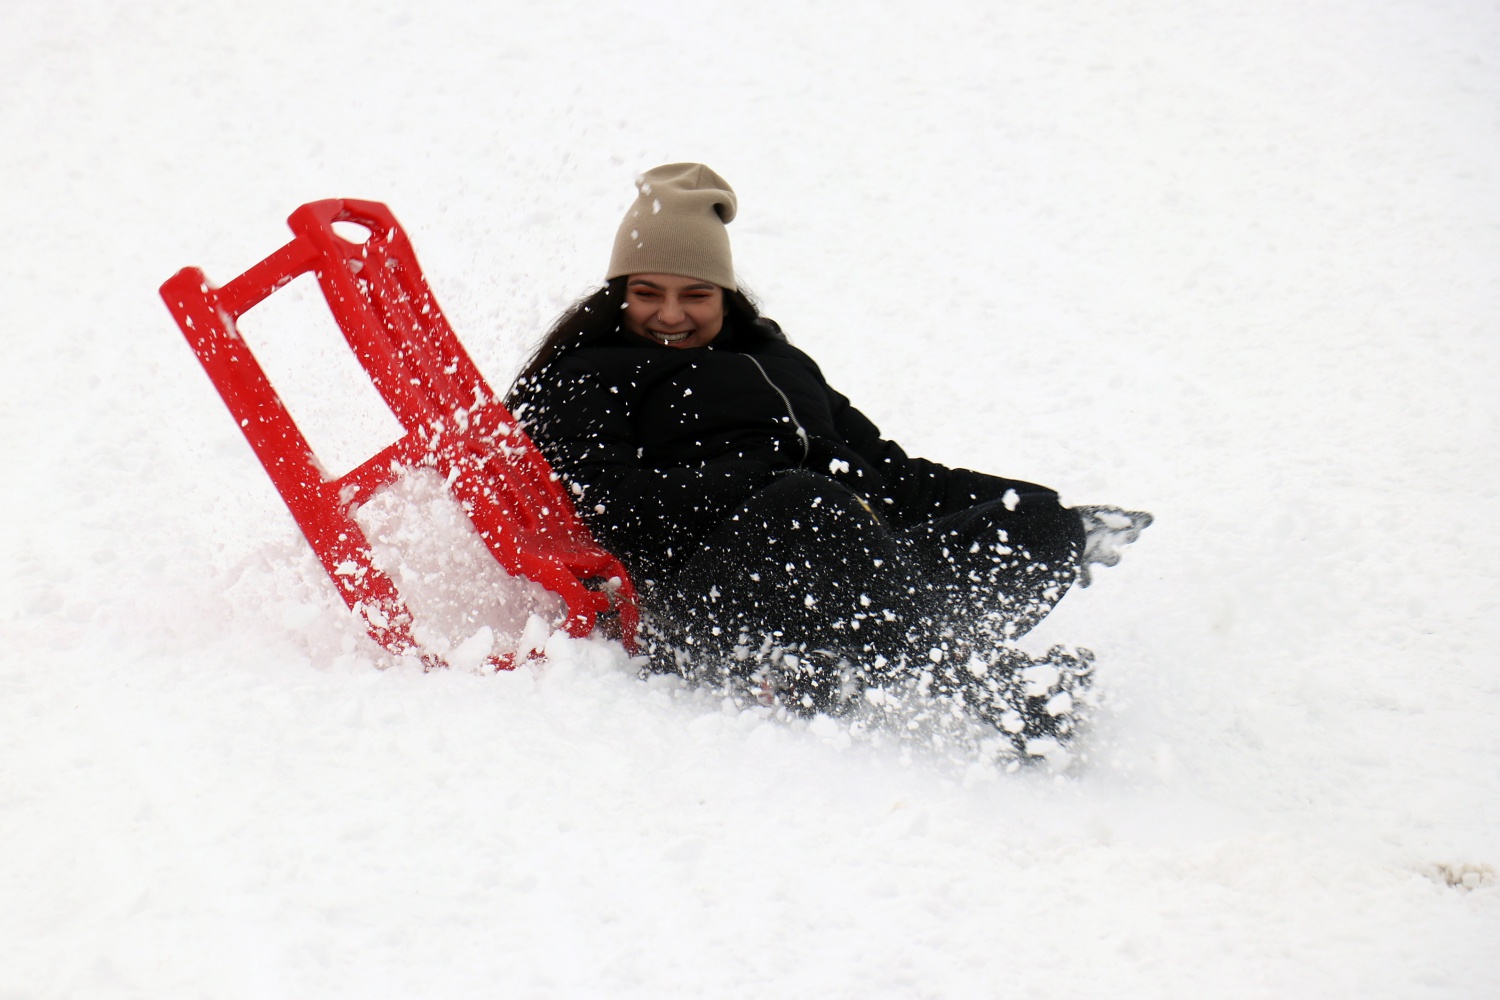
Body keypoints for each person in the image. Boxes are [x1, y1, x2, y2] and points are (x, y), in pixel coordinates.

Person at [509, 163, 1149, 756]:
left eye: (695, 295)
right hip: (703, 602)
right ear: (620, 291)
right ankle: (982, 690)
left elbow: (894, 476)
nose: (669, 315)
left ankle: (846, 665)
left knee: (1037, 524)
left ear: (725, 295)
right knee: (808, 504)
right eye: (648, 292)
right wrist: (767, 479)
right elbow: (608, 506)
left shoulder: (781, 366)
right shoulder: (591, 372)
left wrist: (1041, 505)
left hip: (837, 565)